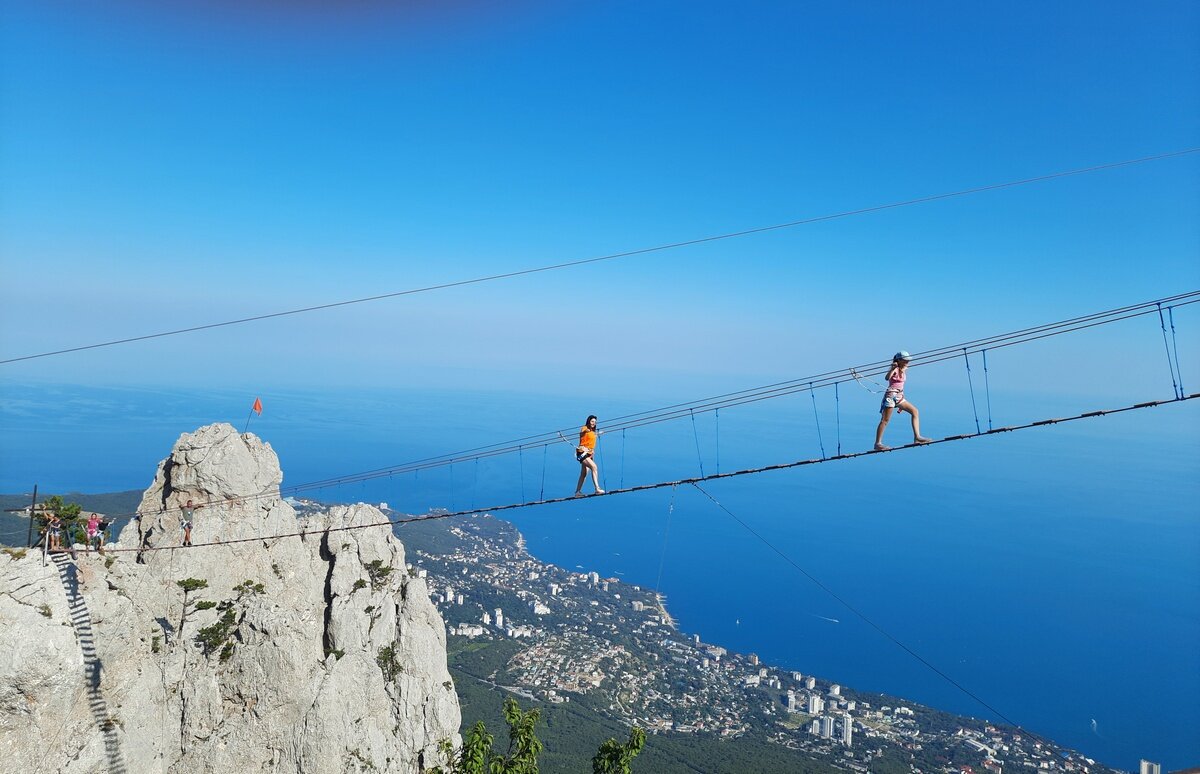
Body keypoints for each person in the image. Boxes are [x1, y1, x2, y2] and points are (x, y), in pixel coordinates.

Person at [874, 351, 933, 451]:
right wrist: (893, 368)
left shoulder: (903, 368)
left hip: (899, 397)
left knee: (915, 411)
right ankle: (877, 444)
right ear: (899, 360)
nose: (907, 362)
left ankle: (917, 437)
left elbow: (903, 374)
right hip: (891, 396)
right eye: (905, 360)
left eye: (908, 360)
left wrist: (902, 367)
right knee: (885, 420)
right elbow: (887, 378)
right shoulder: (895, 369)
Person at [573, 415, 605, 496]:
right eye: (592, 421)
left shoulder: (592, 432)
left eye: (595, 422)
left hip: (589, 455)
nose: (593, 423)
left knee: (584, 474)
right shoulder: (584, 428)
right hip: (582, 453)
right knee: (594, 467)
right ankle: (597, 488)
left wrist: (598, 434)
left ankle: (577, 492)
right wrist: (585, 431)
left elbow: (591, 438)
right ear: (588, 421)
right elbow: (582, 432)